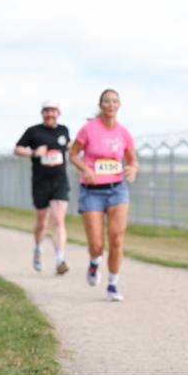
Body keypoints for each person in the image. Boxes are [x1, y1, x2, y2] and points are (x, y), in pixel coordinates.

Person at [68, 89, 138, 301]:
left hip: (117, 189)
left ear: (119, 105)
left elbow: (132, 159)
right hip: (92, 192)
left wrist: (133, 169)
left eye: (114, 101)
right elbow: (73, 154)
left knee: (116, 239)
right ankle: (94, 262)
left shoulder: (123, 132)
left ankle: (112, 285)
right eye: (107, 101)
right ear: (101, 105)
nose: (110, 104)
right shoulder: (88, 129)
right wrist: (85, 169)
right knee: (97, 245)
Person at [15, 100, 71, 274]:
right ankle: (38, 248)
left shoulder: (63, 130)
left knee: (58, 220)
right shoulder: (33, 131)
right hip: (40, 183)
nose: (50, 114)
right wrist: (33, 152)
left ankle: (60, 259)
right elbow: (17, 149)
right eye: (46, 111)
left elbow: (69, 146)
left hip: (60, 182)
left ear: (58, 113)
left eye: (53, 111)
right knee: (42, 222)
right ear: (42, 113)